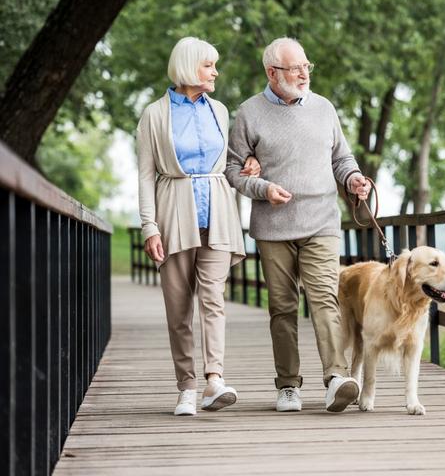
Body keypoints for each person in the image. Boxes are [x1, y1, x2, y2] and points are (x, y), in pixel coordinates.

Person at [225, 37, 370, 413]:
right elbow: (232, 170)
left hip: (321, 220)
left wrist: (353, 179)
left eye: (307, 66)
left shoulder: (324, 108)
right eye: (295, 68)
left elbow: (341, 157)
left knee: (325, 298)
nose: (304, 73)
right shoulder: (248, 113)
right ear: (272, 73)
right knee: (282, 307)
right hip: (273, 227)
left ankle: (336, 377)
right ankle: (288, 385)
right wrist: (262, 188)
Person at [136, 36, 259, 416]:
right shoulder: (154, 115)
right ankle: (186, 386)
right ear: (190, 67)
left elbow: (230, 161)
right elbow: (144, 176)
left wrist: (249, 163)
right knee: (177, 308)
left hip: (219, 212)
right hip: (174, 212)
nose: (215, 72)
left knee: (213, 301)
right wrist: (148, 226)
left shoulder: (220, 110)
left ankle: (213, 379)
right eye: (209, 65)